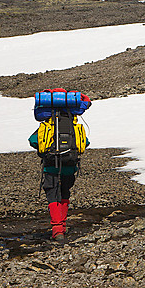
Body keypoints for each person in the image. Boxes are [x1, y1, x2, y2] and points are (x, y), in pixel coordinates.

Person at [29, 91, 91, 242]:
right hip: (70, 164)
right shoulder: (73, 124)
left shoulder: (46, 125)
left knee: (52, 194)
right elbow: (86, 143)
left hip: (51, 165)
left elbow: (33, 141)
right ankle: (62, 226)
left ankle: (57, 230)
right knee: (64, 194)